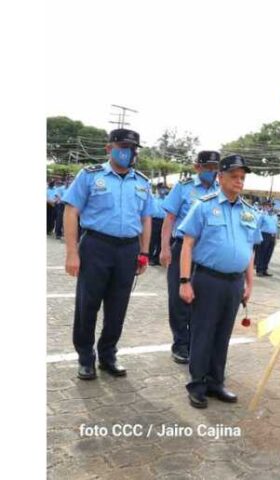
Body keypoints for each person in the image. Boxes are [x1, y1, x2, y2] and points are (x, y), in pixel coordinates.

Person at [62, 128, 153, 380]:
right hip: (96, 246)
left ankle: (108, 354)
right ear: (109, 148)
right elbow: (71, 212)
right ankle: (85, 357)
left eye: (132, 148)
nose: (128, 152)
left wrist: (144, 252)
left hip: (128, 250)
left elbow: (146, 218)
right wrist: (72, 253)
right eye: (123, 146)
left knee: (118, 306)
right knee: (87, 304)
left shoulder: (142, 182)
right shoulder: (90, 176)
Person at [177, 155, 261, 408]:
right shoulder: (203, 205)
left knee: (223, 334)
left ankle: (216, 382)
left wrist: (249, 283)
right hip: (208, 279)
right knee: (203, 333)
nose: (239, 182)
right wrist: (184, 281)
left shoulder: (249, 212)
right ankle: (197, 384)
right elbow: (187, 244)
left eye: (242, 178)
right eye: (234, 177)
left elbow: (250, 250)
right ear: (220, 177)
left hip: (234, 283)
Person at [160, 151, 221, 364]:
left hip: (206, 252)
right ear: (197, 167)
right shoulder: (184, 187)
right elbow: (169, 219)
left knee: (201, 298)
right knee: (178, 298)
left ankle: (196, 342)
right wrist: (165, 248)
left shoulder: (219, 190)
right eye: (208, 167)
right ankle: (180, 343)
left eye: (215, 168)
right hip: (181, 248)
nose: (212, 172)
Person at [256, 202, 279, 277]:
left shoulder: (274, 216)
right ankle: (259, 270)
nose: (268, 207)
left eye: (269, 206)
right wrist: (258, 237)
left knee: (268, 254)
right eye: (266, 206)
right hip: (264, 235)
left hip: (272, 236)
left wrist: (275, 238)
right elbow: (258, 226)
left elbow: (275, 228)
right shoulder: (262, 215)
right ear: (263, 207)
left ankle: (265, 269)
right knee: (262, 253)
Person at [148, 186, 167, 265]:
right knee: (152, 240)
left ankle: (157, 259)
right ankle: (149, 257)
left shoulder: (167, 199)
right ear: (158, 190)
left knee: (161, 241)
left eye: (164, 189)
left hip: (164, 221)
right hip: (154, 220)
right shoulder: (153, 198)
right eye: (160, 189)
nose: (162, 191)